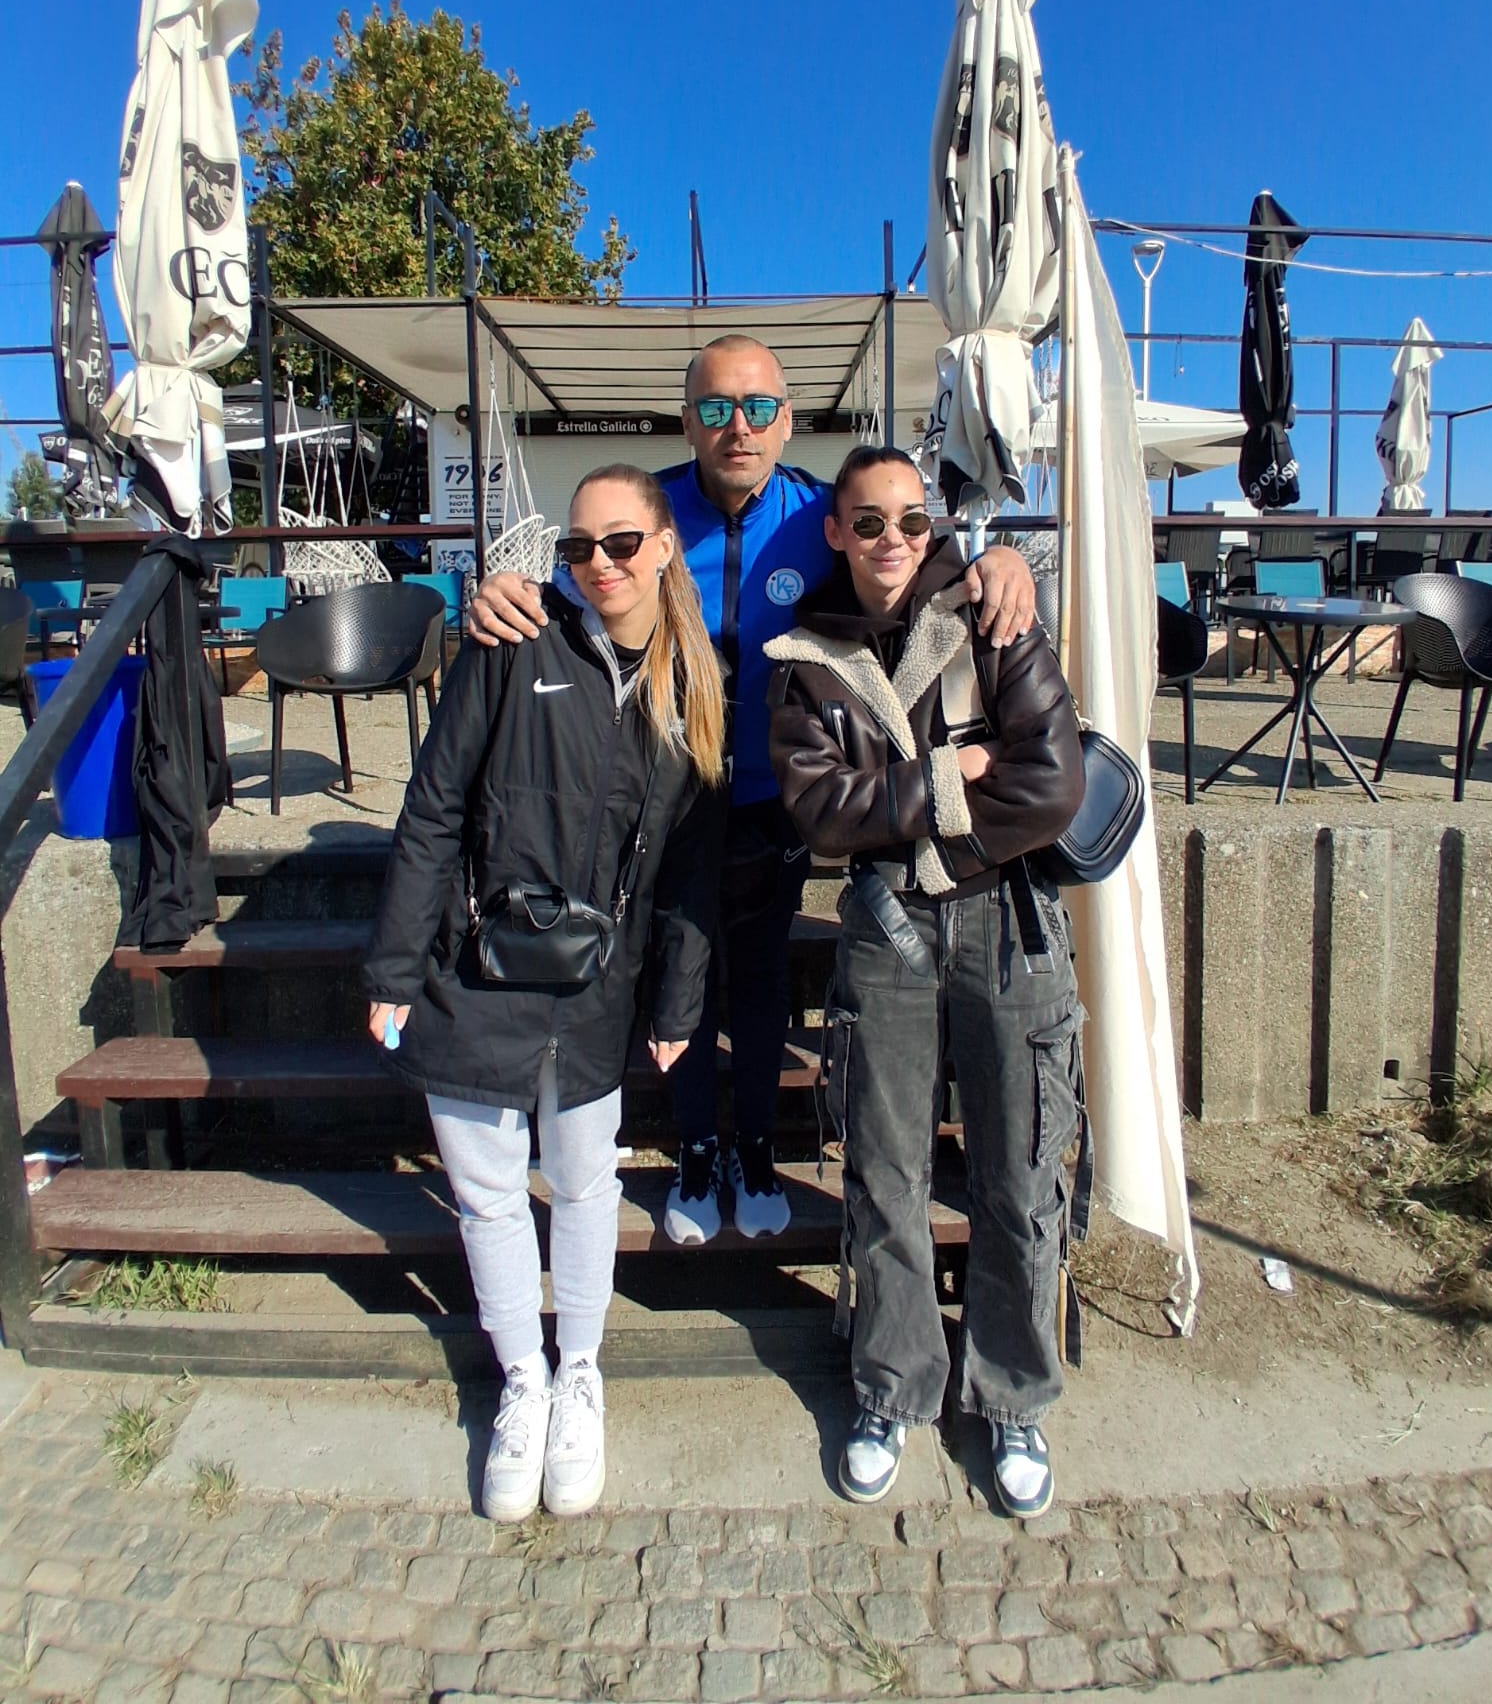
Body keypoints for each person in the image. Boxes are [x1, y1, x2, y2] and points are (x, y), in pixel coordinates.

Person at [467, 335, 1036, 1249]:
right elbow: (580, 577)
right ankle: (698, 1147)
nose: (740, 426)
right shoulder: (651, 513)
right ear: (688, 420)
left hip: (783, 792)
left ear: (788, 420)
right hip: (668, 788)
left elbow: (911, 566)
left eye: (760, 407)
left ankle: (757, 1150)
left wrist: (999, 560)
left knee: (763, 974)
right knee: (678, 970)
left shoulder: (821, 513)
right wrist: (502, 590)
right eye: (718, 408)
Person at [363, 465, 724, 1521]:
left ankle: (581, 1372)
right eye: (578, 546)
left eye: (621, 542)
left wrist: (679, 1001)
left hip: (597, 978)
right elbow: (434, 805)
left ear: (664, 546)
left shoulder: (694, 686)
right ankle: (524, 1376)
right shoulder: (514, 639)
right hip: (479, 967)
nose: (598, 564)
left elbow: (692, 865)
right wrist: (392, 966)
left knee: (584, 1180)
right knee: (485, 1190)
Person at [765, 445, 1086, 1516]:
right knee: (885, 1171)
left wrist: (914, 822)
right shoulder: (803, 656)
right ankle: (893, 1387)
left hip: (1008, 922)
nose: (893, 539)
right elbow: (820, 812)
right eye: (869, 521)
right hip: (884, 931)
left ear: (933, 525)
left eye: (912, 520)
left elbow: (1051, 782)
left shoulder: (992, 611)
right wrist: (951, 776)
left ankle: (1013, 1396)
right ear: (837, 532)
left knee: (1019, 1172)